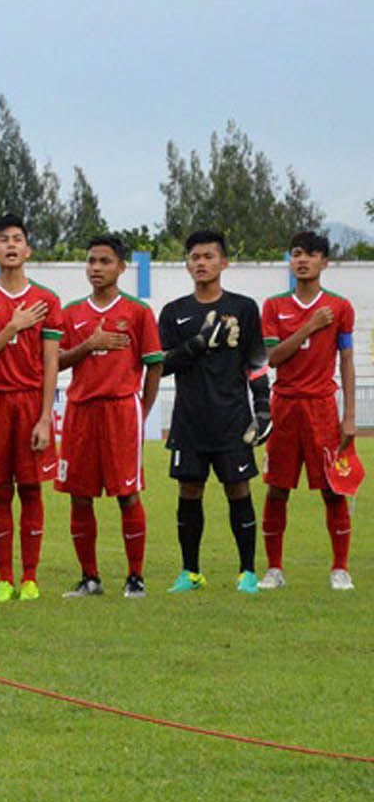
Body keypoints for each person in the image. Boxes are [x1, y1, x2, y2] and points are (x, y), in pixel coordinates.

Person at [158, 229, 271, 594]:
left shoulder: (243, 308)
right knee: (189, 491)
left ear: (224, 262)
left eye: (209, 256)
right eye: (195, 257)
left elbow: (256, 361)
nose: (201, 263)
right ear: (187, 264)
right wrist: (195, 345)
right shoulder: (174, 313)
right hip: (190, 419)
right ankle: (190, 572)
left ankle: (247, 572)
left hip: (232, 418)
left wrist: (264, 408)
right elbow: (161, 365)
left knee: (238, 489)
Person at [0, 213, 65, 603]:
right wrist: (13, 327)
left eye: (17, 239)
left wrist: (44, 417)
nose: (10, 245)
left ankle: (30, 578)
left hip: (29, 404)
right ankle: (4, 578)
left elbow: (51, 363)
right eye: (2, 239)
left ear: (28, 249)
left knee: (32, 490)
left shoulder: (47, 300)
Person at [55, 236, 163, 599]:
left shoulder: (137, 312)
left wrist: (141, 410)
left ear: (121, 267)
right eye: (91, 261)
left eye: (104, 261)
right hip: (81, 411)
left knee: (127, 495)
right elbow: (54, 362)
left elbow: (153, 365)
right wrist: (89, 345)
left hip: (120, 411)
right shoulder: (71, 313)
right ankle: (90, 578)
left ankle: (135, 577)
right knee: (79, 496)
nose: (96, 268)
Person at [261, 230, 356, 591]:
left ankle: (340, 568)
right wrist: (310, 326)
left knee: (333, 490)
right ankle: (274, 569)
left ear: (324, 262)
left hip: (321, 409)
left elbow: (346, 360)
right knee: (277, 488)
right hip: (284, 406)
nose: (303, 260)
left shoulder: (341, 307)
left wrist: (348, 416)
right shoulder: (274, 306)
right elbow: (273, 357)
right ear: (290, 260)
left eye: (311, 254)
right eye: (297, 253)